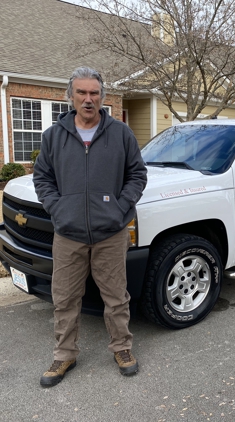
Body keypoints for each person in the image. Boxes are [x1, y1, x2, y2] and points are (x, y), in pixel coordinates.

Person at [33, 66, 147, 387]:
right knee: (65, 298)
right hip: (68, 234)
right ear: (70, 96)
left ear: (102, 97)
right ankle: (64, 353)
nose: (87, 99)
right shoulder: (54, 136)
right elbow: (42, 178)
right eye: (81, 92)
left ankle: (122, 348)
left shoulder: (121, 133)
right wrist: (59, 208)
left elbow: (137, 174)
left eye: (93, 93)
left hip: (110, 233)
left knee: (116, 296)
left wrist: (120, 209)